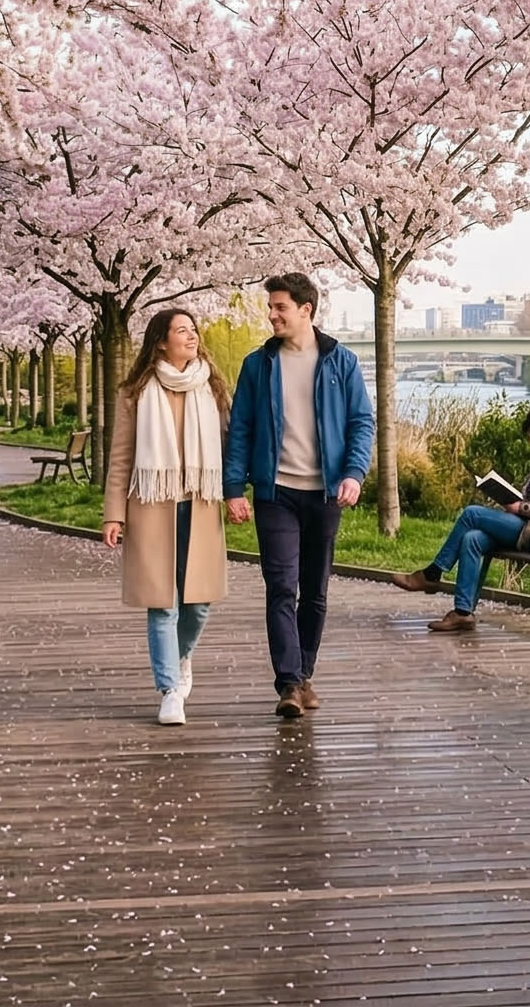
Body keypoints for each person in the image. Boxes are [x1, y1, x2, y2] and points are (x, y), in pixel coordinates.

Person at [222, 272, 374, 719]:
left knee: (316, 592)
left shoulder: (340, 361)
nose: (271, 315)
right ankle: (289, 682)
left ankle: (304, 673)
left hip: (325, 494)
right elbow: (241, 431)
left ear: (306, 310)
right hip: (276, 493)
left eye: (280, 307)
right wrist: (234, 487)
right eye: (270, 307)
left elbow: (361, 423)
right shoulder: (258, 365)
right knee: (281, 587)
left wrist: (354, 474)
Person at [104, 308, 240, 726]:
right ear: (161, 341)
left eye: (193, 329)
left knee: (197, 605)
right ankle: (169, 692)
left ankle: (181, 658)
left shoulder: (212, 389)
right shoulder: (136, 392)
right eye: (182, 330)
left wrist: (237, 492)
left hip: (200, 504)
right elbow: (122, 456)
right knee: (163, 603)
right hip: (151, 507)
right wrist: (114, 514)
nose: (192, 335)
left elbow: (233, 445)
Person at [392, 403, 530, 633]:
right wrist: (512, 500)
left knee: (471, 513)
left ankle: (432, 574)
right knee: (472, 539)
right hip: (527, 524)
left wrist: (522, 508)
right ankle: (463, 613)